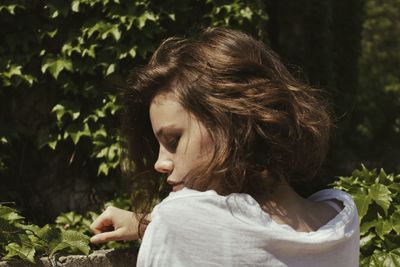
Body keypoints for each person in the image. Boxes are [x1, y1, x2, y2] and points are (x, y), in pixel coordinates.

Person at [90, 27, 359, 266]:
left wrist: (160, 223)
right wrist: (149, 223)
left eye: (173, 140)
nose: (160, 163)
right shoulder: (340, 219)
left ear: (235, 123)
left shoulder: (177, 218)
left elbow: (212, 230)